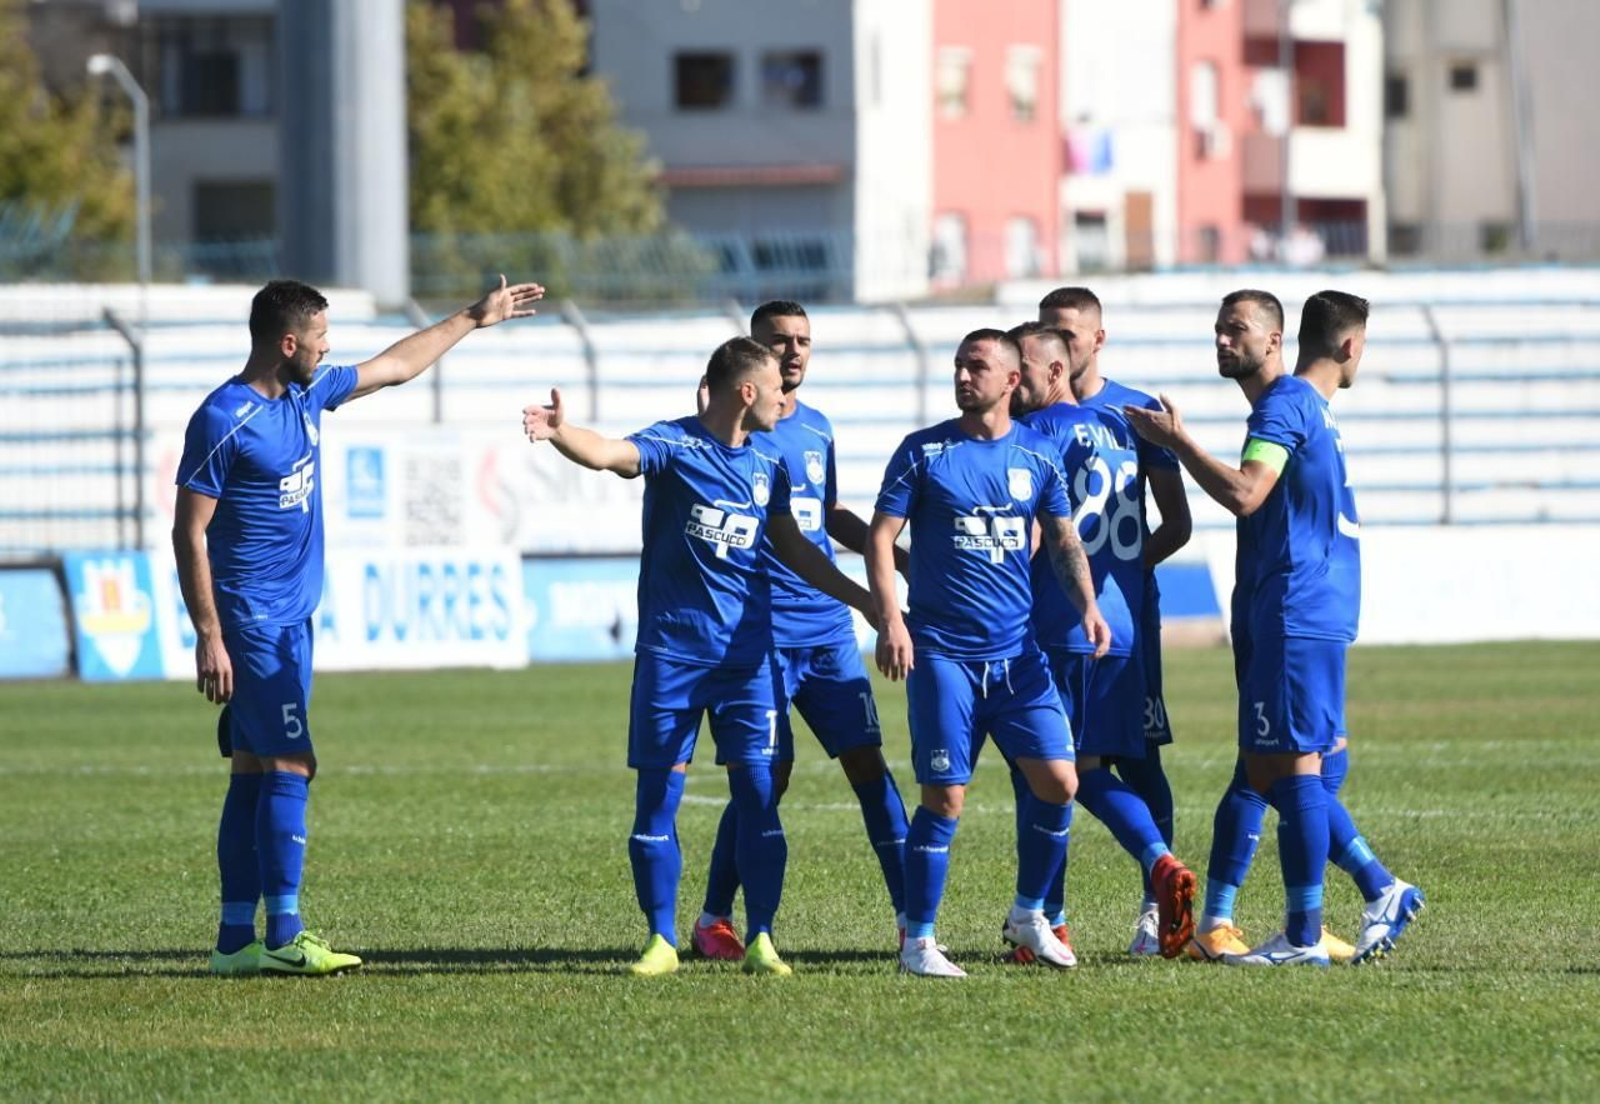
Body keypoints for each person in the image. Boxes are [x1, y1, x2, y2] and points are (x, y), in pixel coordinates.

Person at [176, 275, 546, 977]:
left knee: (253, 770)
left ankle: (234, 943)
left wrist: (473, 316)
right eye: (319, 341)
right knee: (292, 762)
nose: (329, 350)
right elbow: (188, 532)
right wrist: (210, 633)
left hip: (292, 623)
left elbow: (397, 366)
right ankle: (284, 933)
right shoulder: (225, 417)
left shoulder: (308, 392)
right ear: (287, 344)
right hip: (252, 623)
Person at [522, 336, 878, 978]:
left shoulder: (769, 467)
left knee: (760, 795)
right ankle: (660, 940)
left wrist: (864, 600)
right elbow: (610, 455)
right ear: (747, 393)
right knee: (657, 798)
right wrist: (560, 431)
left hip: (747, 663)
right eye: (774, 389)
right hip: (673, 658)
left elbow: (796, 549)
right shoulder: (676, 445)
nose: (783, 400)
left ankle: (763, 937)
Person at [1124, 289, 1424, 966]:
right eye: (1218, 330)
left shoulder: (1286, 405)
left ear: (1283, 339)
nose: (1222, 341)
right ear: (1350, 347)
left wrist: (1178, 443)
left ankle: (1316, 924)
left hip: (1294, 610)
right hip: (1297, 609)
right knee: (1267, 766)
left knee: (1294, 768)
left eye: (1235, 330)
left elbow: (1245, 493)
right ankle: (1256, 917)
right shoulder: (1306, 408)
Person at [867, 328, 1111, 979]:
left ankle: (1030, 912)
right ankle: (918, 942)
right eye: (958, 366)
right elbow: (880, 535)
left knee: (1061, 782)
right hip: (944, 655)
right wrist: (892, 618)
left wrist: (1087, 604)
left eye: (977, 366)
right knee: (945, 798)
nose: (963, 376)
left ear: (1009, 380)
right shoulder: (925, 452)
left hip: (1018, 656)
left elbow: (1062, 540)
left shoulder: (1038, 455)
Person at [691, 302, 914, 961]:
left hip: (827, 634)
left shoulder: (816, 428)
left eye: (803, 342)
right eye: (779, 342)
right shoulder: (734, 430)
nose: (793, 352)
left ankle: (911, 917)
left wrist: (899, 559)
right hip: (755, 637)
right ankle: (714, 918)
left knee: (869, 767)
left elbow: (826, 515)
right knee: (769, 778)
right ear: (751, 353)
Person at [1002, 322, 1198, 963]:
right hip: (1120, 627)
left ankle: (1059, 916)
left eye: (1021, 368)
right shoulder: (1118, 429)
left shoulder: (1039, 434)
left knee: (1057, 774)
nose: (1012, 381)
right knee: (1081, 769)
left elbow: (1033, 536)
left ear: (1056, 371)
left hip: (1060, 626)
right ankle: (1072, 908)